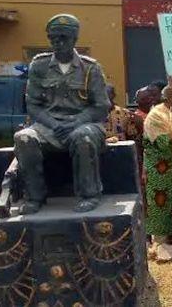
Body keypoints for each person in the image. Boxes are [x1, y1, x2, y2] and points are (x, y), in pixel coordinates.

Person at [14, 14, 111, 214]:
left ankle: (89, 195)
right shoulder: (39, 66)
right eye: (53, 38)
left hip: (84, 124)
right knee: (23, 138)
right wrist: (51, 123)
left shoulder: (90, 68)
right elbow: (33, 105)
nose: (57, 43)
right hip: (48, 126)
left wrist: (76, 121)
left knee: (82, 137)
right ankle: (34, 197)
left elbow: (101, 106)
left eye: (63, 38)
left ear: (74, 39)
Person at [143, 84, 172, 260]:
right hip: (158, 169)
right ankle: (159, 241)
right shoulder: (156, 115)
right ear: (167, 98)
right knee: (160, 203)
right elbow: (163, 142)